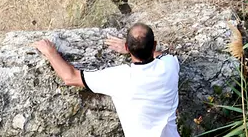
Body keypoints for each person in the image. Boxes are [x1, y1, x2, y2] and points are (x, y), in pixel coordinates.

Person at [34, 23, 180, 137]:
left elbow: (70, 77)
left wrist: (50, 52)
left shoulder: (120, 77)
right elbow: (162, 55)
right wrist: (136, 48)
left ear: (126, 47)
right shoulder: (170, 65)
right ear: (154, 45)